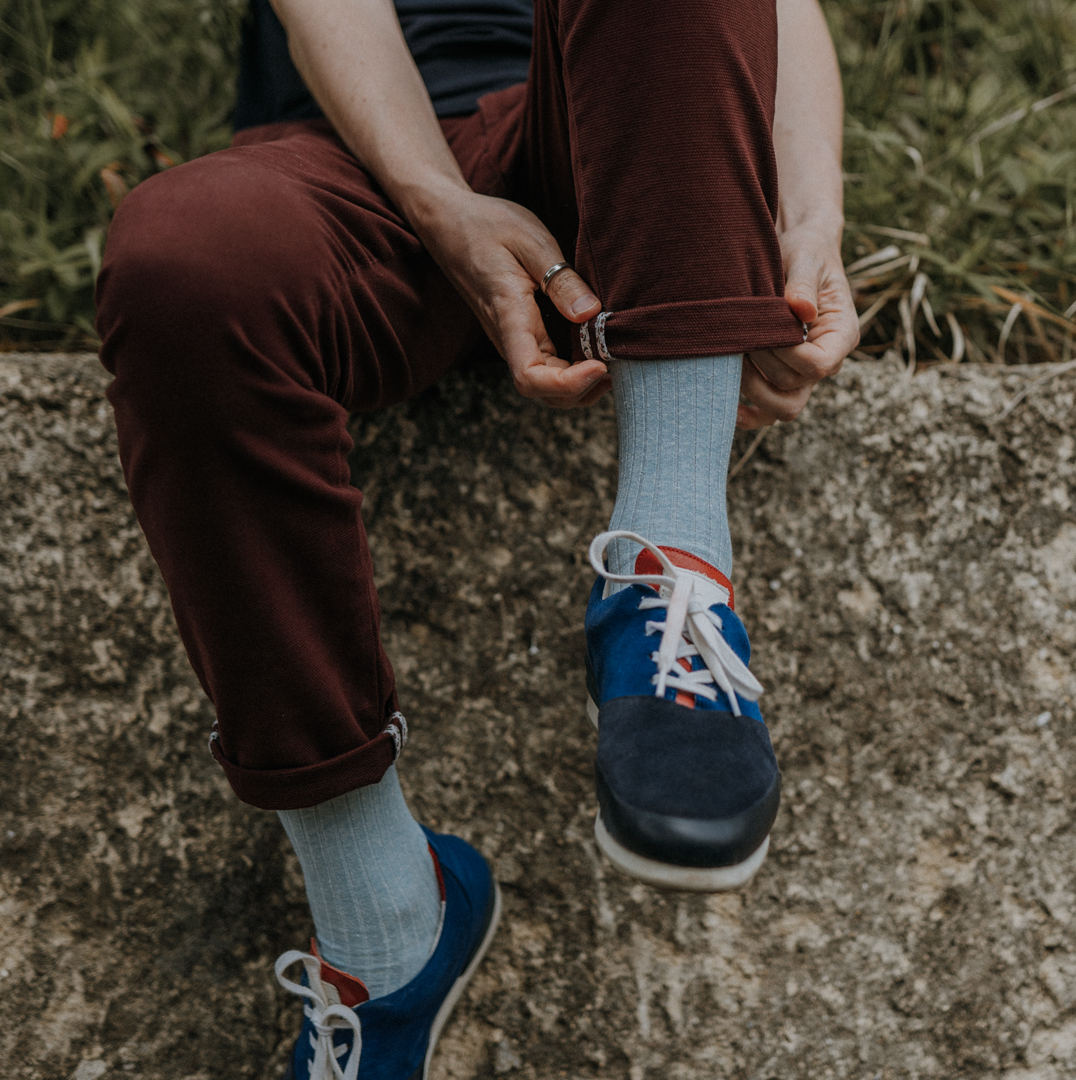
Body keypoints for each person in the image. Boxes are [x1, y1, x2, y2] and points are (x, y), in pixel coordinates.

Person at [95, 0, 859, 1073]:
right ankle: (381, 926)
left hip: (615, 161)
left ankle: (671, 568)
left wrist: (802, 217)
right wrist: (443, 203)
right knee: (181, 259)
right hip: (355, 173)